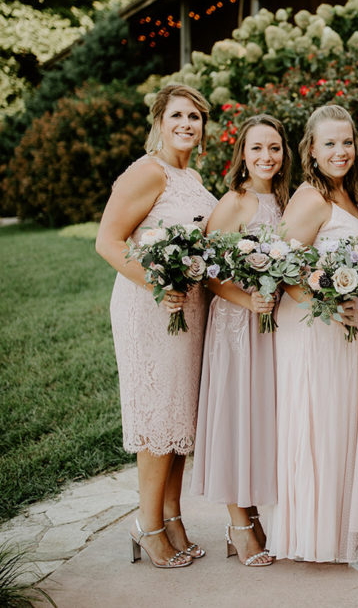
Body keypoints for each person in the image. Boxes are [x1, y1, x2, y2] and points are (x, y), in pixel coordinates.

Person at [95, 84, 217, 568]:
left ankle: (172, 517)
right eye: (178, 116)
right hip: (151, 308)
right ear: (159, 123)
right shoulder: (147, 172)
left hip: (187, 311)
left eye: (195, 117)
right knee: (157, 418)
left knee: (179, 419)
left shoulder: (191, 175)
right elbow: (107, 241)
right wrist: (155, 283)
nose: (187, 124)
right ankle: (147, 527)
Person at [269, 104, 358, 563]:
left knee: (339, 425)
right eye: (329, 143)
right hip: (311, 330)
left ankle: (341, 527)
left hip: (340, 328)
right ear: (311, 148)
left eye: (347, 141)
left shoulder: (349, 193)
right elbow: (280, 267)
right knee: (316, 424)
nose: (341, 151)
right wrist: (326, 304)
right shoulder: (312, 197)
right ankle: (313, 535)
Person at [190, 115, 292, 567]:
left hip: (273, 324)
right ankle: (238, 522)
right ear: (243, 155)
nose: (266, 157)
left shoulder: (288, 199)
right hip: (236, 323)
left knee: (261, 418)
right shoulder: (235, 201)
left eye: (274, 148)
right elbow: (207, 271)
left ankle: (252, 515)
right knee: (237, 414)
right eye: (257, 149)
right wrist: (247, 301)